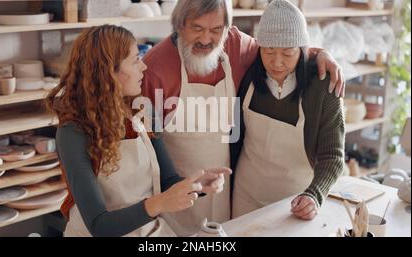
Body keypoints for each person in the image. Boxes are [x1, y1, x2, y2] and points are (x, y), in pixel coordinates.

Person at [141, 0, 345, 236]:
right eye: (197, 28)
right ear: (179, 25)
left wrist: (322, 54)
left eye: (216, 30)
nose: (207, 39)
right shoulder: (155, 68)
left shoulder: (236, 46)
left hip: (227, 190)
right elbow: (145, 147)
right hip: (177, 190)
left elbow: (281, 46)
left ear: (228, 29)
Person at [46, 25, 231, 237]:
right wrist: (160, 203)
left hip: (148, 232)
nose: (143, 67)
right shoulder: (73, 132)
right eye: (135, 60)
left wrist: (197, 185)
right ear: (108, 71)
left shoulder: (143, 109)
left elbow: (168, 179)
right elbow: (99, 225)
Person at [231, 0, 345, 220]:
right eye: (268, 51)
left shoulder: (324, 86)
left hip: (295, 201)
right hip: (245, 195)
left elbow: (333, 156)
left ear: (303, 50)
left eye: (287, 53)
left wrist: (314, 195)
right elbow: (235, 139)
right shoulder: (248, 77)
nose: (277, 62)